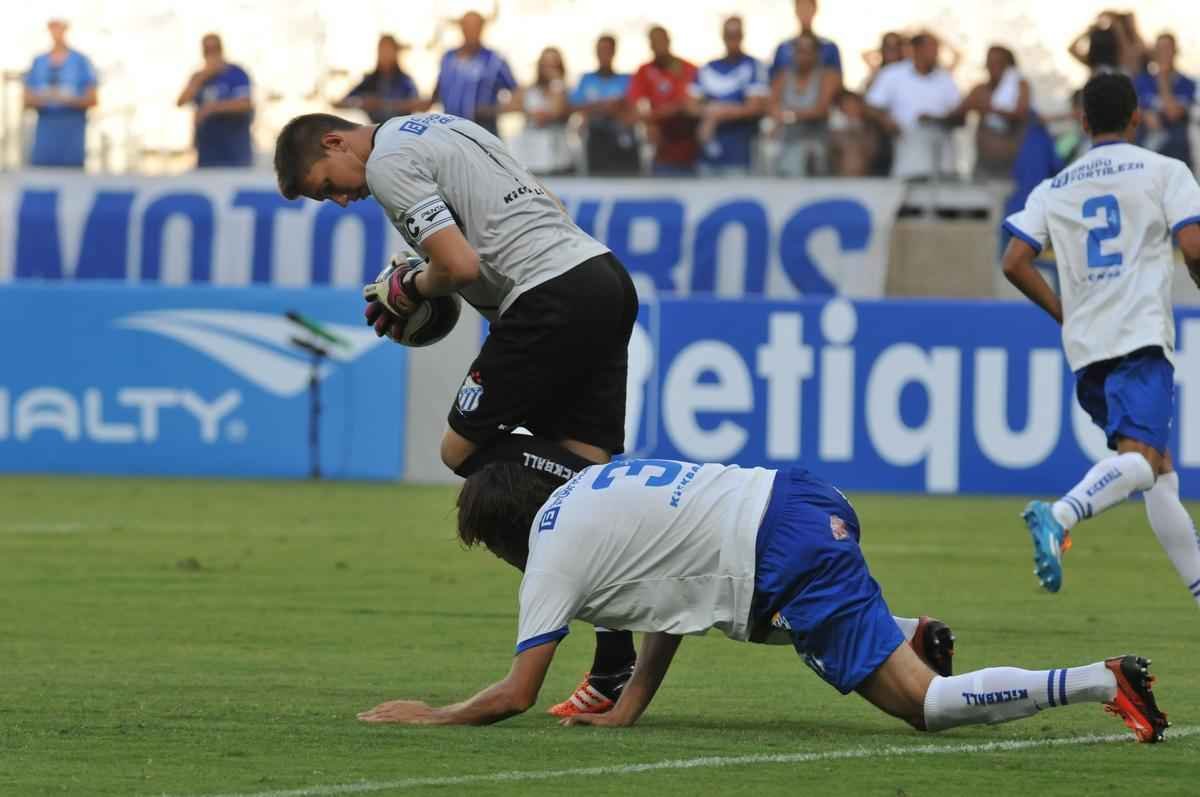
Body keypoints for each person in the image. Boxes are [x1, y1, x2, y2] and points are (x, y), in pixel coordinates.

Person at [356, 459, 1167, 746]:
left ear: (506, 538)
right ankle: (911, 630)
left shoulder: (550, 560)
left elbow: (518, 692)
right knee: (743, 613)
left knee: (928, 710)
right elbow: (671, 604)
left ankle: (1103, 679)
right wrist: (630, 704)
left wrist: (425, 714)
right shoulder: (595, 487)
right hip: (794, 498)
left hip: (783, 550)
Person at [272, 110, 641, 715]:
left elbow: (461, 267)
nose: (341, 201)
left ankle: (624, 518)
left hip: (547, 295)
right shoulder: (438, 124)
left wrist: (411, 287)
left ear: (335, 141)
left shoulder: (388, 162)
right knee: (582, 469)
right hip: (600, 275)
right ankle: (614, 662)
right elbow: (524, 211)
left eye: (327, 186)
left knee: (461, 451)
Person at [1001, 72, 1200, 607]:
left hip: (1087, 351)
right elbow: (1194, 244)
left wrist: (1063, 311)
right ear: (1137, 116)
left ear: (1084, 122)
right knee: (1140, 462)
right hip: (1139, 338)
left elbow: (1014, 260)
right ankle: (1059, 514)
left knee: (1159, 475)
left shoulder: (1056, 186)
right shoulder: (1164, 171)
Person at [864, 32, 962, 180]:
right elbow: (871, 106)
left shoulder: (945, 78)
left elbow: (957, 111)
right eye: (930, 48)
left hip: (941, 143)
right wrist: (887, 122)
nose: (935, 53)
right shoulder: (892, 74)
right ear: (917, 49)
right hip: (906, 141)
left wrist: (937, 119)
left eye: (936, 49)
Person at [689, 16, 768, 177]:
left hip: (740, 153)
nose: (733, 40)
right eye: (729, 35)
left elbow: (756, 107)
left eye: (736, 35)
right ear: (723, 36)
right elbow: (690, 105)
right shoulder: (708, 68)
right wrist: (711, 114)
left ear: (742, 36)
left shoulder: (754, 66)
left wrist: (719, 113)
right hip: (707, 156)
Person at [23, 18, 97, 168]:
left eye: (59, 27)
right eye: (52, 27)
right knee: (42, 177)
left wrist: (66, 99)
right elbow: (26, 99)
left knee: (71, 179)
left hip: (72, 132)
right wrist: (48, 97)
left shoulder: (80, 61)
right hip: (45, 133)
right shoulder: (39, 61)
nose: (56, 31)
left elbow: (92, 99)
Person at [628, 26, 699, 176]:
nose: (658, 45)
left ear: (668, 41)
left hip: (690, 146)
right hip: (661, 150)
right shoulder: (644, 71)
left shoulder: (688, 68)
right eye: (654, 42)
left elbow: (687, 104)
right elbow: (637, 106)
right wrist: (649, 121)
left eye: (661, 41)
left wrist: (657, 114)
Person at [432, 11, 516, 136]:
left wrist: (493, 110)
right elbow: (438, 91)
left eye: (475, 27)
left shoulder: (494, 60)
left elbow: (517, 92)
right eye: (467, 26)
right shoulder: (448, 57)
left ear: (482, 28)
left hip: (483, 130)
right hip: (451, 130)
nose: (471, 31)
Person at [176, 34, 254, 168]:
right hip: (207, 153)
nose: (211, 53)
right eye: (207, 50)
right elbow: (181, 102)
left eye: (215, 49)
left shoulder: (236, 73)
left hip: (235, 152)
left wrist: (212, 108)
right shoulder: (198, 77)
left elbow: (245, 104)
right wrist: (203, 77)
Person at [956, 46, 1032, 181]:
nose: (992, 67)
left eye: (998, 63)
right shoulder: (980, 89)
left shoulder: (1020, 86)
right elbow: (959, 112)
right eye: (989, 63)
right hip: (983, 164)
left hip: (1011, 164)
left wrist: (991, 108)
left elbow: (1021, 113)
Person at [769, 31, 838, 177]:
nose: (802, 56)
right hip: (787, 141)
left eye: (807, 51)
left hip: (818, 141)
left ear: (816, 54)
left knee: (806, 156)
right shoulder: (782, 77)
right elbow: (772, 108)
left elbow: (821, 110)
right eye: (799, 51)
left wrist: (789, 115)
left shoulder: (828, 76)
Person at [570, 35, 640, 176]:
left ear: (614, 52)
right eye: (601, 50)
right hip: (595, 139)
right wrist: (602, 106)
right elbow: (575, 105)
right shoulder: (586, 79)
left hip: (621, 138)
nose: (604, 54)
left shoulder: (626, 79)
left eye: (608, 50)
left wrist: (616, 107)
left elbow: (633, 106)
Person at [1135, 33, 1195, 169]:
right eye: (1160, 49)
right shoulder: (1142, 81)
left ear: (1176, 51)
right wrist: (1144, 114)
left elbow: (1172, 113)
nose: (1164, 53)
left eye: (1167, 48)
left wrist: (1162, 76)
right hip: (1148, 159)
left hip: (1177, 160)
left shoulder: (1187, 84)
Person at [509, 47, 573, 176]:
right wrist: (530, 113)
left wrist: (556, 81)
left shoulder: (563, 89)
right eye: (546, 64)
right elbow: (510, 105)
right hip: (529, 150)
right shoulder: (528, 89)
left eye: (553, 64)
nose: (548, 68)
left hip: (555, 152)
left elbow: (557, 110)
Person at [334, 35, 423, 124]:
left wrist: (383, 104)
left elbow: (419, 104)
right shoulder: (369, 81)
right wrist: (360, 102)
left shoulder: (405, 81)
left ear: (396, 52)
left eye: (388, 50)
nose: (385, 54)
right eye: (382, 50)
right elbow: (339, 103)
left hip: (399, 131)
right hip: (374, 131)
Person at [769, 0, 841, 86]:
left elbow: (837, 82)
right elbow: (773, 80)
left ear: (815, 9)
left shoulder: (829, 48)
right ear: (796, 10)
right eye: (801, 7)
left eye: (808, 7)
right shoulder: (783, 48)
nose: (804, 12)